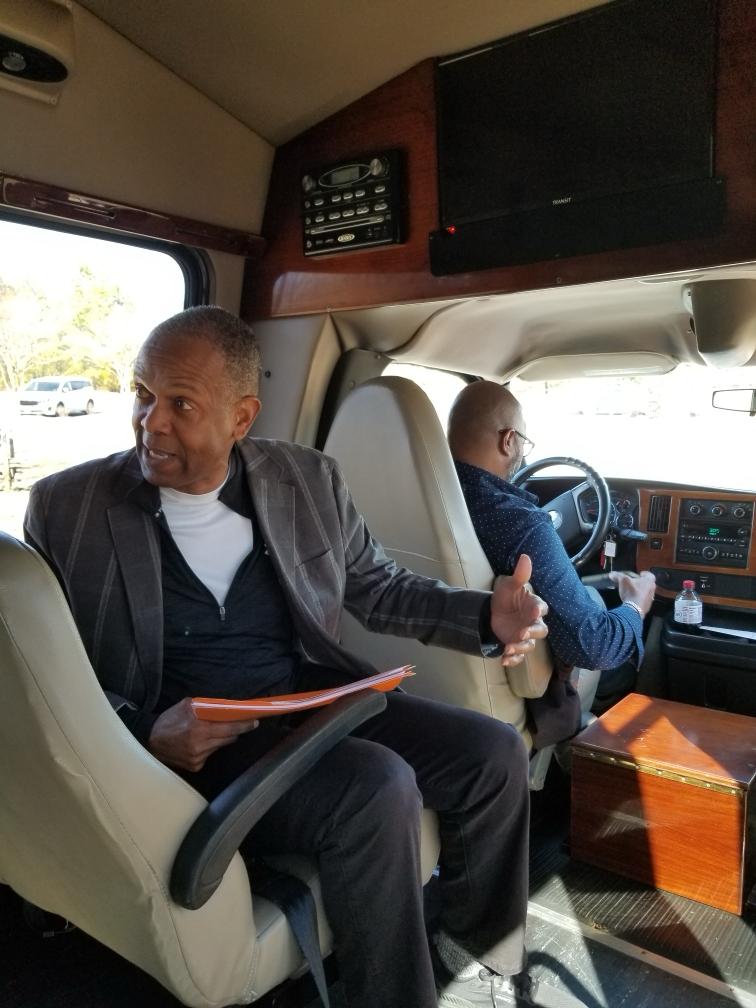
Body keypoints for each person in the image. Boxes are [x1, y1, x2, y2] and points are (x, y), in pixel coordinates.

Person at [24, 307, 587, 1008]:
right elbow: (52, 675)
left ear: (241, 418)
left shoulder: (307, 481)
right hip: (190, 749)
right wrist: (146, 731)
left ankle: (482, 965)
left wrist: (482, 614)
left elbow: (378, 589)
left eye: (180, 404)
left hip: (306, 701)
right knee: (377, 787)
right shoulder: (67, 509)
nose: (150, 422)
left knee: (495, 750)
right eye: (141, 393)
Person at [448, 381, 656, 743]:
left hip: (437, 684)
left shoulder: (419, 499)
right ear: (508, 440)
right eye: (523, 443)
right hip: (508, 705)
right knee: (606, 624)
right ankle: (575, 744)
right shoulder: (517, 521)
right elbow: (594, 645)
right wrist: (636, 605)